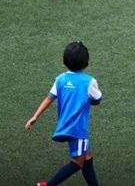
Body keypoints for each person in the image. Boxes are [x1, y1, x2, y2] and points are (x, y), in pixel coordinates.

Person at [26, 41, 102, 186]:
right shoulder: (89, 81)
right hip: (78, 130)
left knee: (87, 157)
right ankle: (49, 185)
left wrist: (35, 116)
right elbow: (97, 99)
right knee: (78, 162)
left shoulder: (60, 79)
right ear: (86, 62)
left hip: (65, 126)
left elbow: (49, 98)